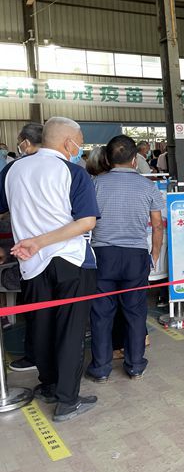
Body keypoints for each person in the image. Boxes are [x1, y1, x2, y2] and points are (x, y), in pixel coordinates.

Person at [0, 117, 100, 422]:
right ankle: (67, 400)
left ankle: (49, 386)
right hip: (70, 261)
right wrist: (40, 241)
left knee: (41, 325)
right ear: (68, 143)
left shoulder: (12, 170)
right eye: (79, 142)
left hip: (31, 266)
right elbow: (86, 222)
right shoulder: (73, 173)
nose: (80, 148)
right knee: (70, 330)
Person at [86, 135, 164, 382]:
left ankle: (100, 368)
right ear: (134, 160)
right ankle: (135, 365)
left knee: (101, 313)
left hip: (102, 256)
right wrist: (154, 253)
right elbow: (157, 225)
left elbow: (86, 221)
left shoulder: (95, 184)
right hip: (135, 256)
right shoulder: (148, 186)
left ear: (108, 159)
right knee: (135, 311)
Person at [6, 123, 44, 373]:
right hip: (65, 253)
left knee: (36, 309)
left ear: (26, 143)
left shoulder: (14, 169)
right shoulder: (66, 167)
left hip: (29, 253)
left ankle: (36, 357)